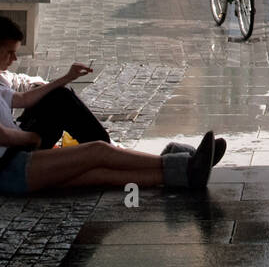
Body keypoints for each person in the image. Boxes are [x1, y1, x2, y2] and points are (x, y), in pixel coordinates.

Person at [0, 19, 218, 195]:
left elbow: (22, 100)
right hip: (9, 167)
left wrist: (65, 78)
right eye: (9, 52)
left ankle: (187, 172)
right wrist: (32, 139)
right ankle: (183, 164)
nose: (14, 58)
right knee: (98, 153)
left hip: (14, 161)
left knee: (99, 173)